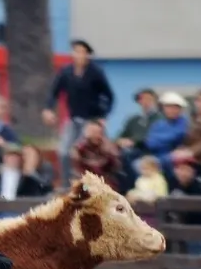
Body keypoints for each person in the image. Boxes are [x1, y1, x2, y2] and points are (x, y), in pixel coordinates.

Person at [42, 39, 114, 189]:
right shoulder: (66, 72)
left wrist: (103, 117)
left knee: (84, 152)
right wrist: (48, 109)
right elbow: (54, 92)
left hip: (91, 120)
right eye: (76, 51)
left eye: (82, 52)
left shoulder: (95, 72)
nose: (79, 55)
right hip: (73, 118)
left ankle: (87, 186)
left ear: (88, 55)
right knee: (63, 151)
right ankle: (66, 185)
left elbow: (109, 96)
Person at [116, 88, 160, 190]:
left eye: (149, 99)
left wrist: (133, 141)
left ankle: (134, 188)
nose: (146, 102)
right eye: (143, 99)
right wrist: (120, 141)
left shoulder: (159, 119)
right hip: (129, 151)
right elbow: (121, 135)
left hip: (147, 151)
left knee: (131, 160)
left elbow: (152, 137)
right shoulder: (133, 119)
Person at [70, 119, 121, 191]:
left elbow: (115, 167)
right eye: (93, 132)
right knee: (83, 190)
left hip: (105, 182)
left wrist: (110, 153)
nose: (96, 135)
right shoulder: (80, 149)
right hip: (87, 182)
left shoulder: (107, 147)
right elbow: (78, 171)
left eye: (99, 132)